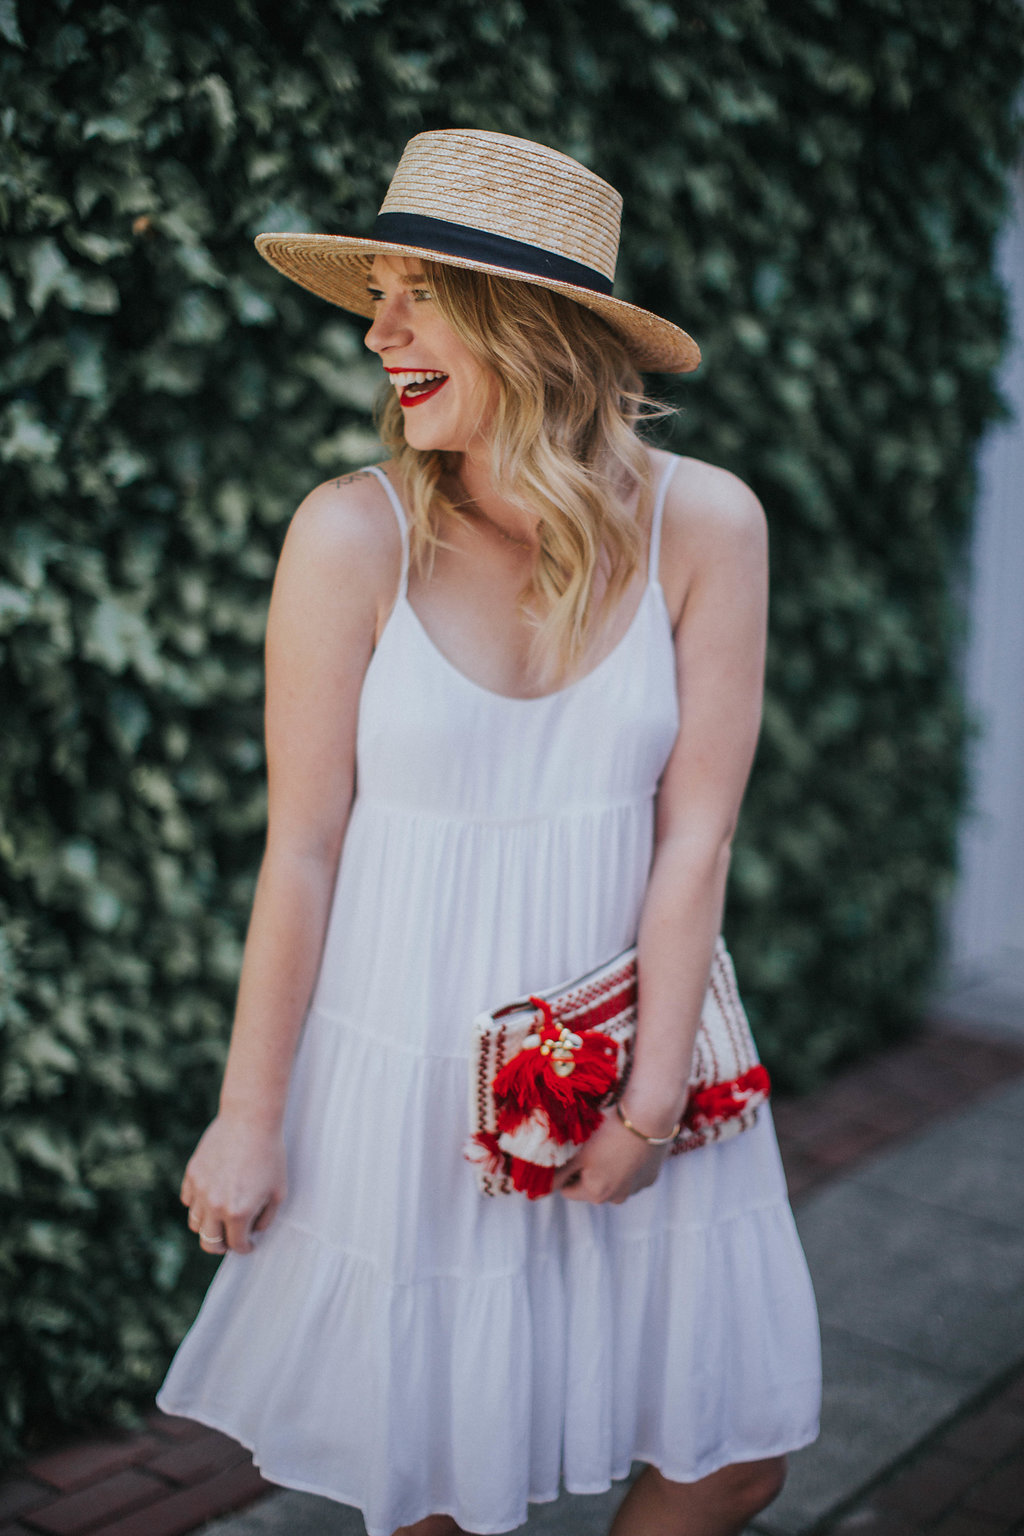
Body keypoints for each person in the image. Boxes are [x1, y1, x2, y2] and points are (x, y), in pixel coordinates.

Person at [157, 129, 821, 1536]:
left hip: (633, 1046)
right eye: (378, 289)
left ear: (536, 328)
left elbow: (696, 840)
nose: (379, 332)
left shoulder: (711, 526)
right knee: (441, 1479)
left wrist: (651, 1107)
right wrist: (248, 1116)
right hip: (405, 1070)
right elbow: (306, 848)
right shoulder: (351, 534)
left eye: (420, 293)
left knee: (733, 1452)